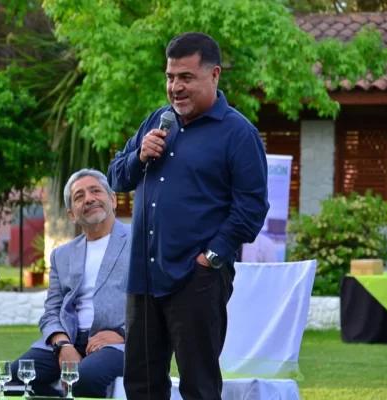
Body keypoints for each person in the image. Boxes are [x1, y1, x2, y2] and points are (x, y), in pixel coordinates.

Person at [107, 32, 270, 400]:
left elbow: (252, 208)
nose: (175, 87)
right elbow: (116, 177)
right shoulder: (157, 120)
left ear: (214, 75)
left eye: (186, 77)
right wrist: (139, 155)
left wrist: (210, 258)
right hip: (144, 277)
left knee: (199, 386)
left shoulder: (238, 134)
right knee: (141, 386)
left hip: (196, 281)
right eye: (170, 77)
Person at [8, 169, 129, 398]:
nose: (89, 199)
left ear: (112, 199)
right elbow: (52, 311)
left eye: (95, 191)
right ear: (72, 214)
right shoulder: (62, 255)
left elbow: (156, 300)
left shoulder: (139, 242)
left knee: (85, 378)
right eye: (79, 196)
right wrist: (62, 345)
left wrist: (124, 334)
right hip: (70, 339)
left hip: (117, 341)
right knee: (16, 377)